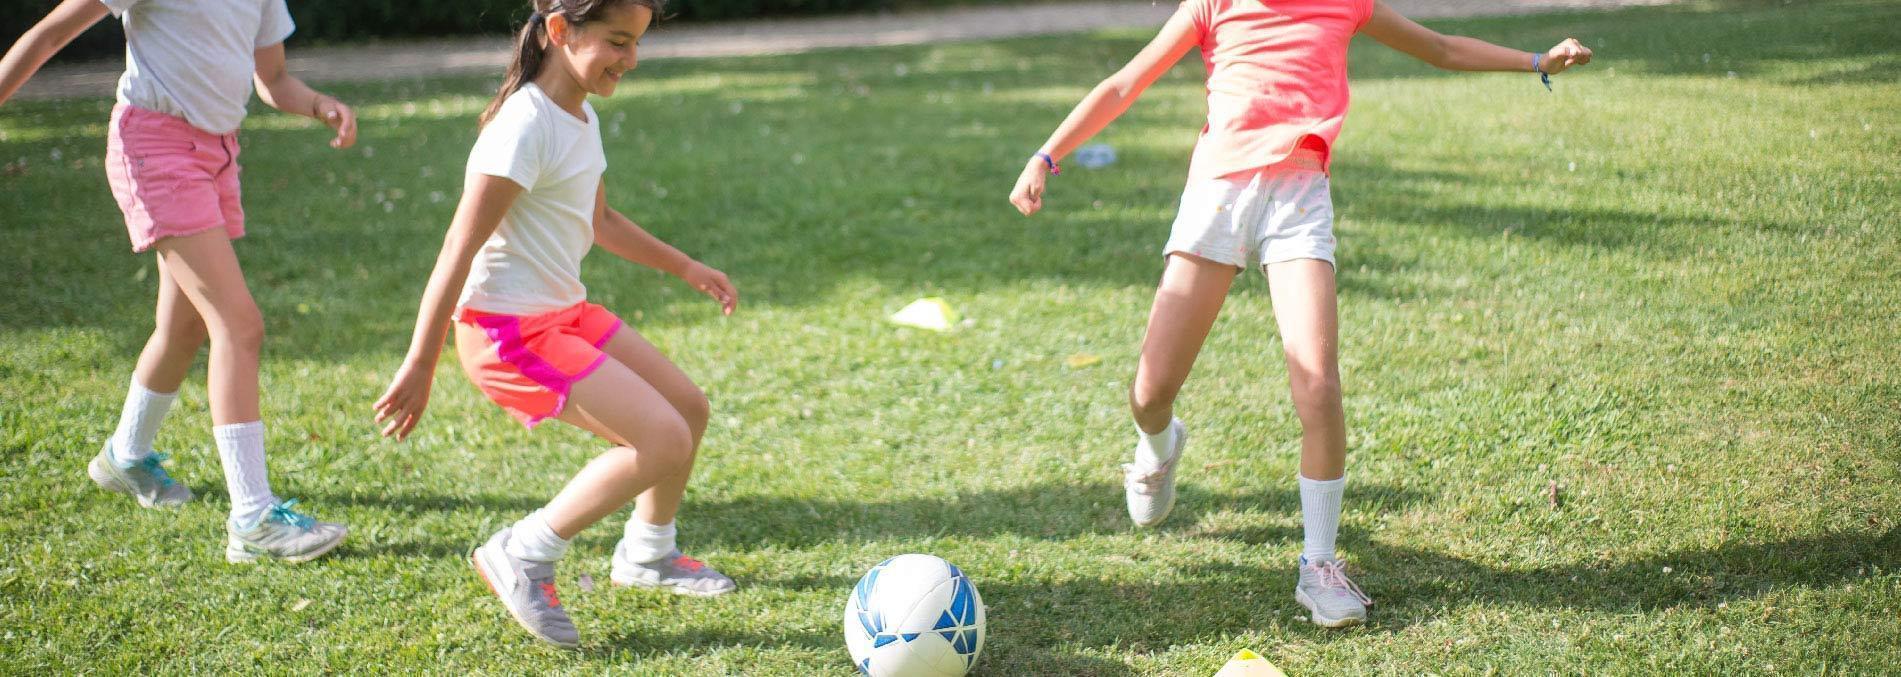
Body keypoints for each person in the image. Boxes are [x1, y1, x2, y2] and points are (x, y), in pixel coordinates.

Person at [1007, 0, 1592, 628]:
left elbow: (1441, 48)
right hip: (1219, 197)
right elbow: (1125, 83)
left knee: (1318, 387)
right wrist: (1045, 156)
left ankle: (1319, 564)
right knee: (1150, 393)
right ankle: (1158, 448)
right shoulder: (1214, 4)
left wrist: (1537, 61)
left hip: (1299, 196)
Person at [372, 0, 741, 648]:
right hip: (504, 330)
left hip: (563, 311)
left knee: (687, 409)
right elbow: (458, 247)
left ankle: (648, 553)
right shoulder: (523, 125)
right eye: (618, 42)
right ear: (560, 31)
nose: (630, 60)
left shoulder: (580, 114)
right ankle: (523, 551)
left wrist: (686, 266)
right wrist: (421, 360)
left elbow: (598, 221)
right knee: (661, 440)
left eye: (637, 44)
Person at [0, 0, 361, 563]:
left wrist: (319, 105)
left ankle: (125, 455)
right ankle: (253, 519)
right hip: (155, 148)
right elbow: (48, 36)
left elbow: (275, 79)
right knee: (239, 327)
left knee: (183, 326)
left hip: (216, 155)